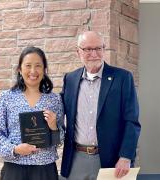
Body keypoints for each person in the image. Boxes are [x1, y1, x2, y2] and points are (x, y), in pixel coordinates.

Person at [60, 31, 141, 180]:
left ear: (104, 49)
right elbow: (58, 112)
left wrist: (126, 156)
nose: (94, 53)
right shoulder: (70, 79)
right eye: (88, 49)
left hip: (111, 161)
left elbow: (132, 121)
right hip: (75, 159)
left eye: (98, 48)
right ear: (78, 52)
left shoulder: (123, 78)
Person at [0, 46, 64, 180]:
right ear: (19, 69)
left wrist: (54, 127)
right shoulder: (6, 98)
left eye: (38, 66)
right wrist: (15, 149)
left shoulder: (54, 99)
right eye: (28, 66)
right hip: (14, 169)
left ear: (44, 69)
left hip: (45, 170)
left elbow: (60, 139)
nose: (33, 71)